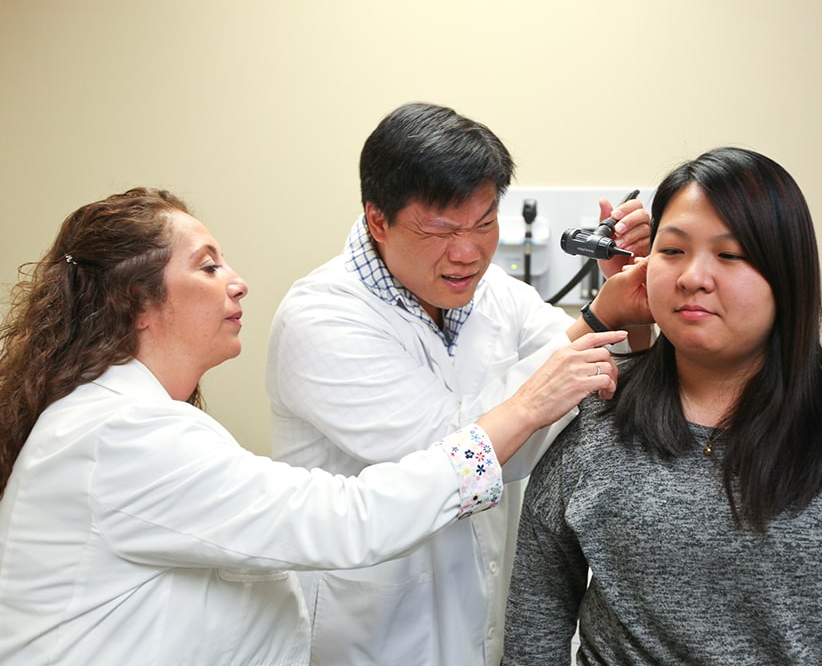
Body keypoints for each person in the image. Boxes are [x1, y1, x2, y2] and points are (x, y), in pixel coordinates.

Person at [0, 187, 626, 665]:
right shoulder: (123, 437)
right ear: (135, 301)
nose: (238, 283)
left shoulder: (131, 423)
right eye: (209, 266)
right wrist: (523, 408)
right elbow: (351, 518)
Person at [502, 147, 822, 665]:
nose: (693, 277)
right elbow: (531, 637)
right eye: (672, 251)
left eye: (730, 255)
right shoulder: (594, 410)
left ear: (786, 276)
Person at [267, 102, 652, 664]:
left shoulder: (493, 293)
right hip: (369, 637)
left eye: (484, 223)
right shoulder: (320, 318)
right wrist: (594, 320)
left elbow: (598, 385)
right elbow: (447, 455)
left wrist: (631, 305)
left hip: (481, 626)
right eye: (441, 229)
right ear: (379, 220)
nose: (468, 252)